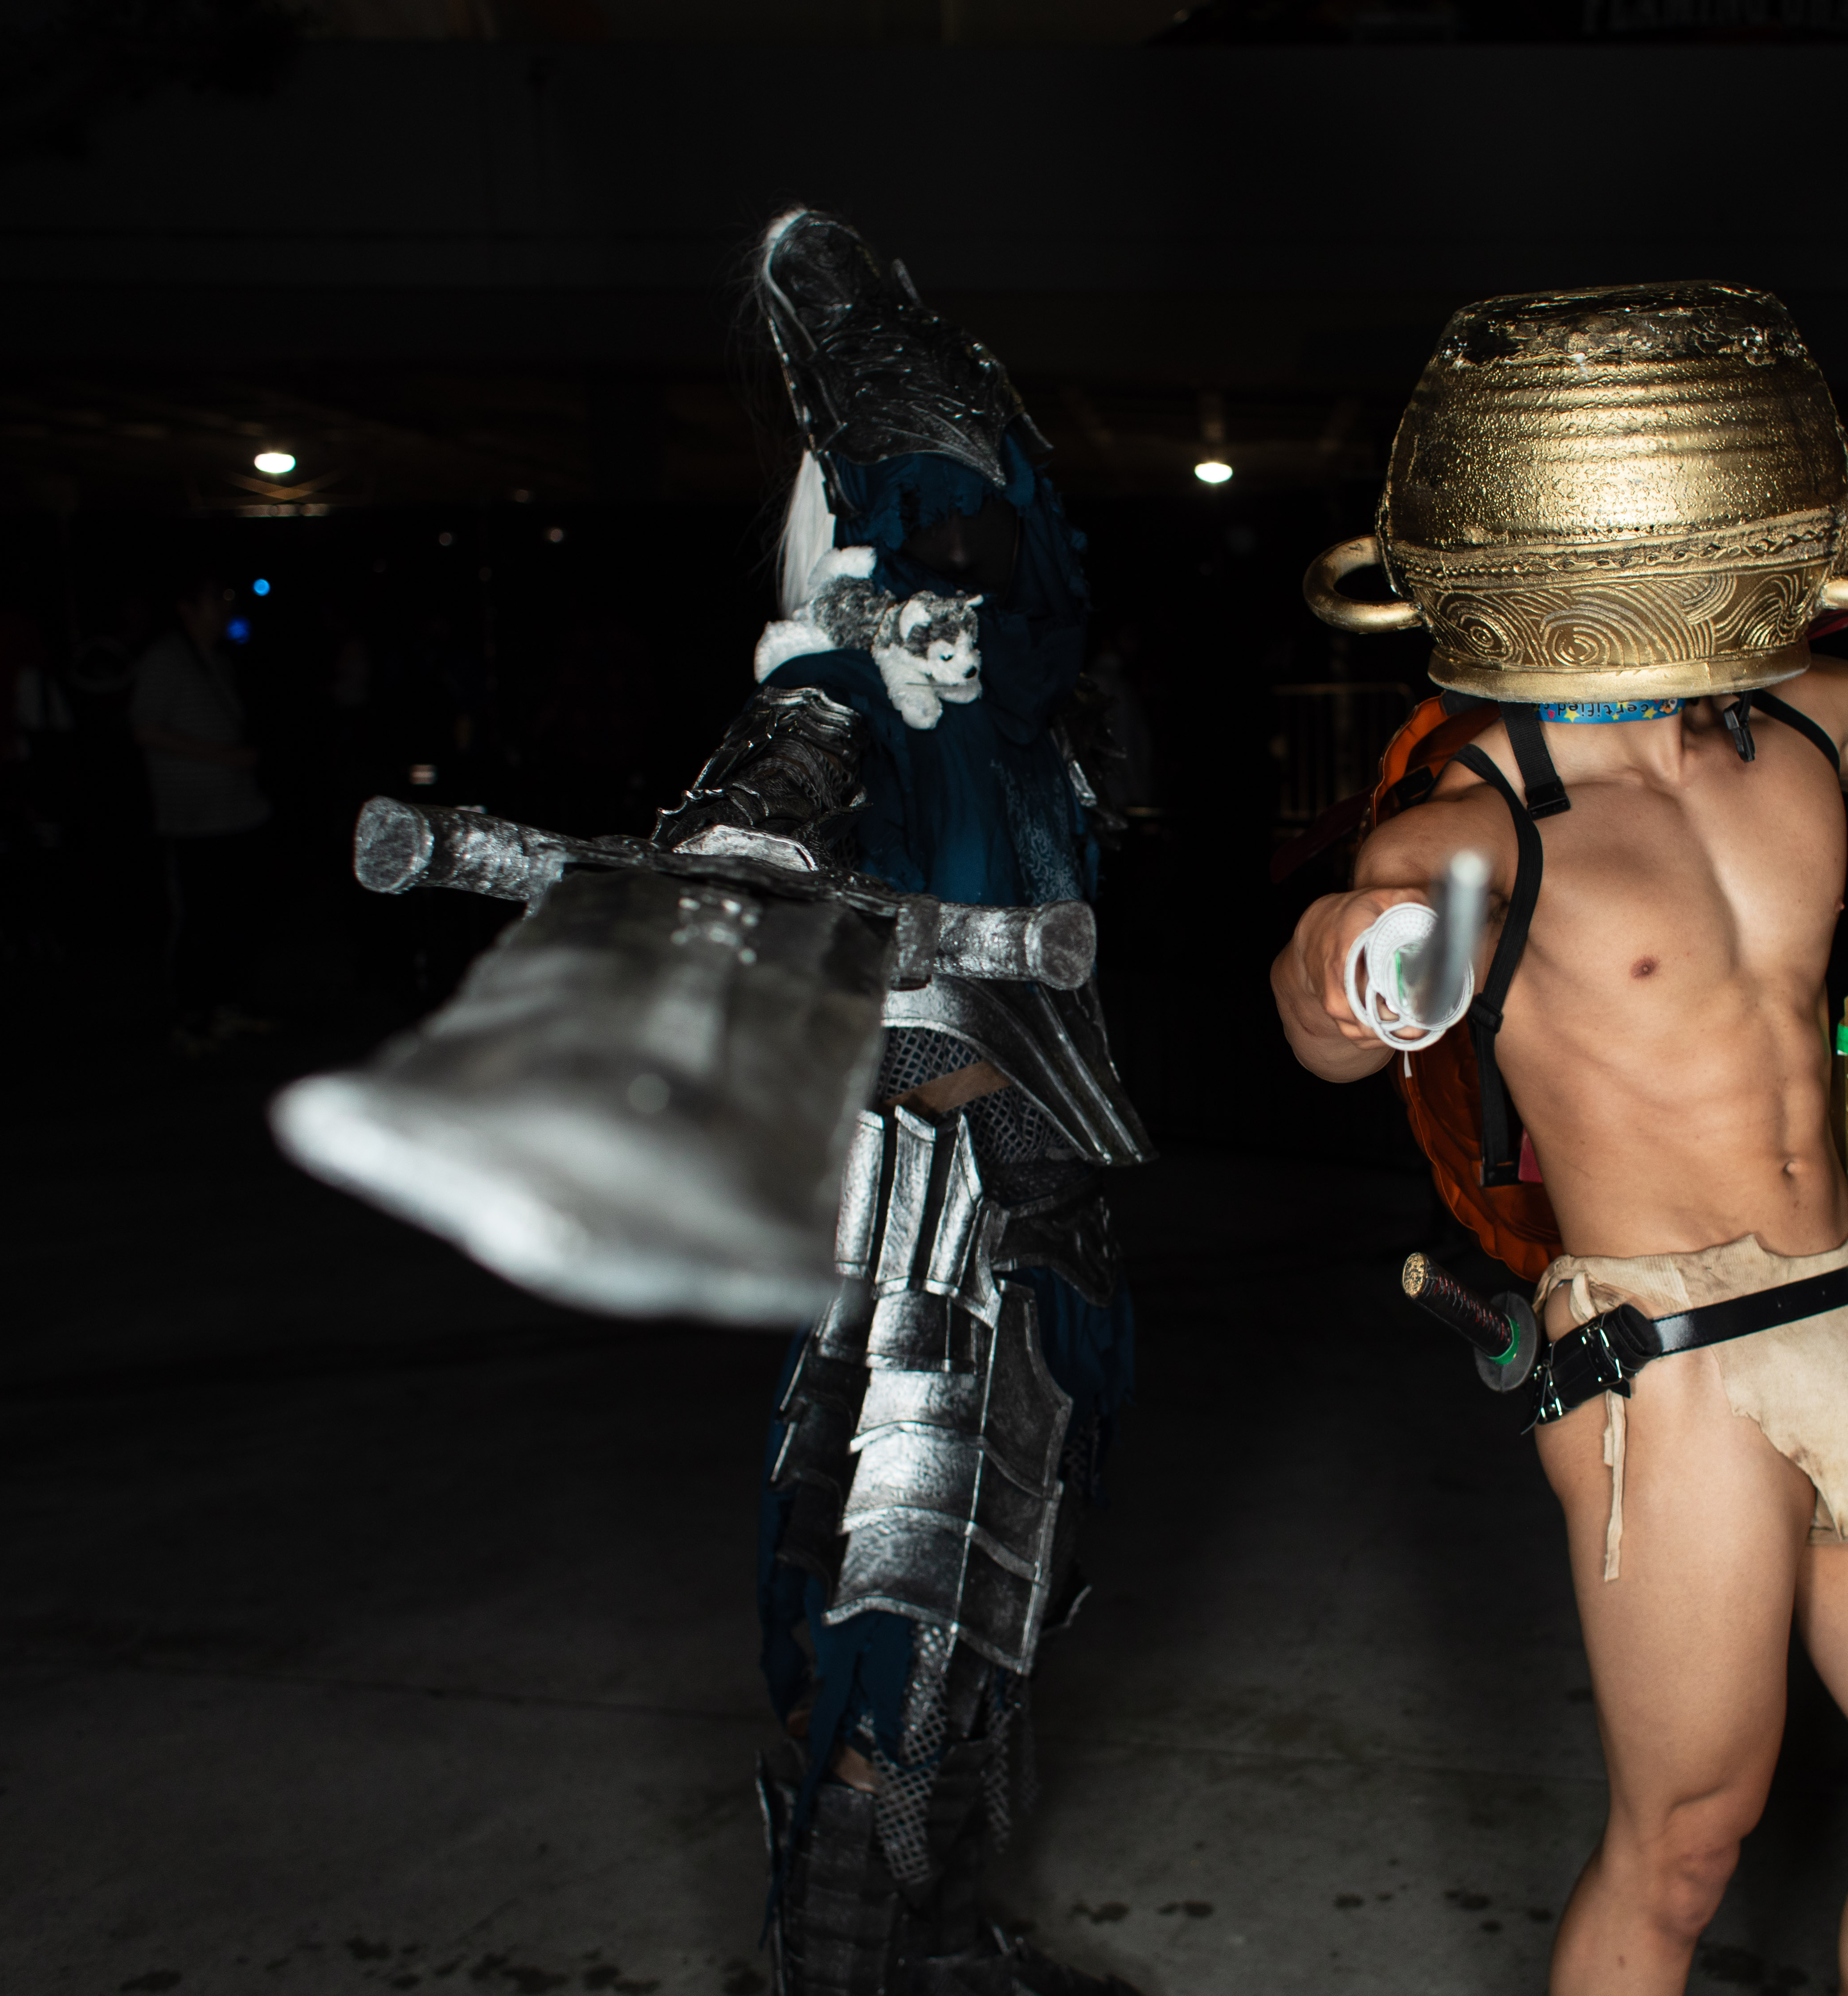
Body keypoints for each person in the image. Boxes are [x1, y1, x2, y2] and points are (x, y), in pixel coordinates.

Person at [1271, 284, 1848, 1996]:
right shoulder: (1480, 819)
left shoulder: (1800, 723)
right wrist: (1334, 965)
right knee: (1680, 1851)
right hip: (1665, 1365)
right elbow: (1333, 1011)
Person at [659, 205, 1149, 1996]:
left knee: (1002, 1626)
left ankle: (943, 1959)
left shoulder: (1028, 720)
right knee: (900, 1641)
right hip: (931, 1236)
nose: (971, 542)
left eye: (985, 502)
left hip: (1051, 1218)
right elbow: (761, 827)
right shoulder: (860, 687)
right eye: (928, 510)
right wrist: (763, 822)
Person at [129, 573, 273, 1049]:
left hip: (236, 812)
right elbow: (146, 729)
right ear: (187, 607)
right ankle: (191, 1017)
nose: (226, 606)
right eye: (216, 598)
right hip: (193, 820)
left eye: (228, 597)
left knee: (235, 917)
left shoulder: (215, 658)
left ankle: (225, 1006)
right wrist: (226, 756)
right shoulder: (166, 659)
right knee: (198, 920)